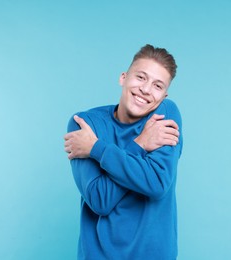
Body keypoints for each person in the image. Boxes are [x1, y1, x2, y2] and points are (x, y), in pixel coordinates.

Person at [64, 44, 183, 259]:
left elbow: (156, 184)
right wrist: (139, 144)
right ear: (123, 78)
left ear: (163, 97)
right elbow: (100, 199)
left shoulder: (164, 115)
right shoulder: (85, 124)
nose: (146, 89)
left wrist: (95, 148)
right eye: (141, 77)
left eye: (157, 85)